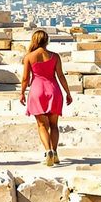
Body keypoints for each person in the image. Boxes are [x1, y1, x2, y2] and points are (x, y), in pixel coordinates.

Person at [20, 29, 72, 166]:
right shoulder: (55, 56)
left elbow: (25, 78)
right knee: (54, 125)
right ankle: (54, 152)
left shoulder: (29, 57)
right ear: (47, 40)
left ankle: (48, 151)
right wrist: (68, 92)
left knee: (42, 125)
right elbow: (60, 76)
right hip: (54, 90)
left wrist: (22, 93)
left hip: (37, 91)